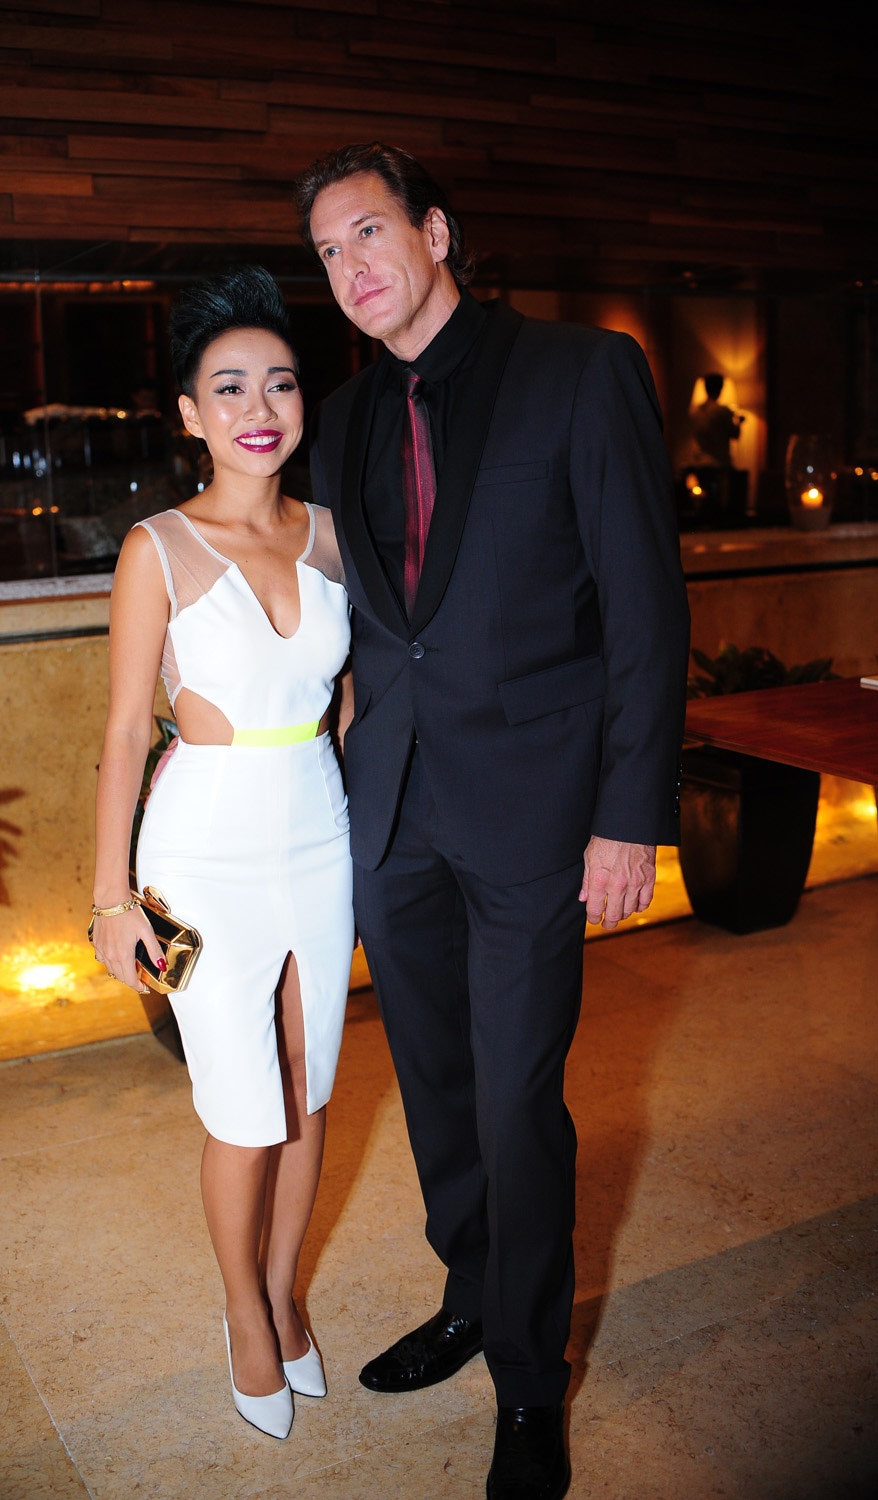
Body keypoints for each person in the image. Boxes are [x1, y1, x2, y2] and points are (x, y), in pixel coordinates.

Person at [294, 143, 691, 1498]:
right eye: (327, 254)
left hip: (537, 811)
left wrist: (626, 815)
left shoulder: (580, 371)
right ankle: (468, 1293)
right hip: (394, 810)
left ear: (434, 231)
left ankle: (528, 1379)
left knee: (518, 1101)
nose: (350, 268)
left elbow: (643, 608)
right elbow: (366, 627)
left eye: (367, 233)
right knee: (437, 1087)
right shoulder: (342, 420)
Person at [90, 266, 354, 1442]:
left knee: (309, 1088)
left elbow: (346, 695)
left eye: (279, 383)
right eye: (230, 387)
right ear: (190, 415)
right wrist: (111, 898)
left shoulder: (332, 535)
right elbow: (118, 731)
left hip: (319, 835)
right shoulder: (156, 547)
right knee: (245, 1109)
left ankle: (286, 1294)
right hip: (203, 848)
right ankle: (242, 1311)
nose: (259, 406)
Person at [690, 371, 743, 467]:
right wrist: (739, 422)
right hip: (720, 463)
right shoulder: (723, 411)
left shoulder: (694, 411)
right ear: (720, 389)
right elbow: (735, 435)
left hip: (700, 462)